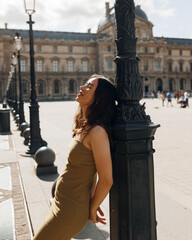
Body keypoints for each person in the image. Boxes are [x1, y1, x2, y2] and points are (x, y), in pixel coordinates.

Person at [33, 74, 116, 240]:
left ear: (98, 99)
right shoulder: (85, 125)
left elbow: (106, 179)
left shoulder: (97, 132)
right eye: (85, 84)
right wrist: (91, 199)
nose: (81, 88)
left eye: (89, 87)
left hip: (70, 210)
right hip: (62, 202)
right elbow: (90, 170)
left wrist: (92, 208)